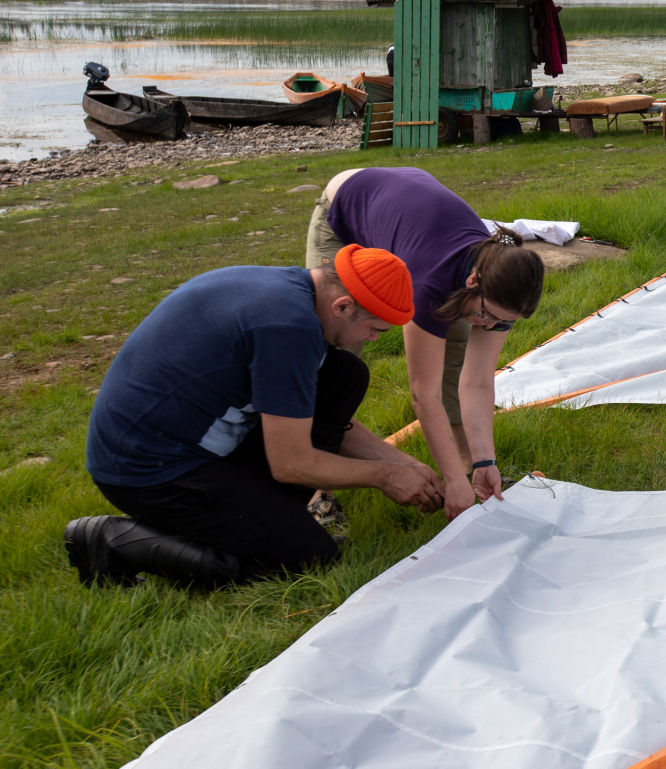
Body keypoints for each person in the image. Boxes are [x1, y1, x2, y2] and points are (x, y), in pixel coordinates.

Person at [70, 246, 446, 589]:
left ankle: (263, 512)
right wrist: (385, 476)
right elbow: (292, 463)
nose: (376, 339)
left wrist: (403, 463)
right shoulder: (287, 330)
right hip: (148, 470)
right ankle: (112, 539)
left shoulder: (292, 291)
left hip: (183, 436)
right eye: (375, 328)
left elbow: (307, 415)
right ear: (344, 306)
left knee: (344, 375)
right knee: (306, 557)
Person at [306, 166, 544, 519]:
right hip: (346, 207)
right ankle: (317, 491)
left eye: (502, 322)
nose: (490, 326)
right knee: (336, 358)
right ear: (473, 280)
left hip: (407, 205)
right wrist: (449, 481)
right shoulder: (429, 283)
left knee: (455, 355)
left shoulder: (503, 288)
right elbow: (423, 394)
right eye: (487, 314)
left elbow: (477, 381)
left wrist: (485, 460)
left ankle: (470, 468)